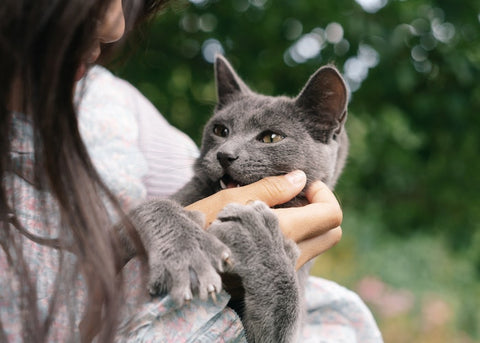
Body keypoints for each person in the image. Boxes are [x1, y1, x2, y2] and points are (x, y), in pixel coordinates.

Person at [0, 0, 382, 341]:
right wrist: (161, 217)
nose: (228, 150)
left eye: (267, 137)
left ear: (327, 129)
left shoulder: (120, 109)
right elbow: (109, 250)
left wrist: (275, 275)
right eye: (221, 130)